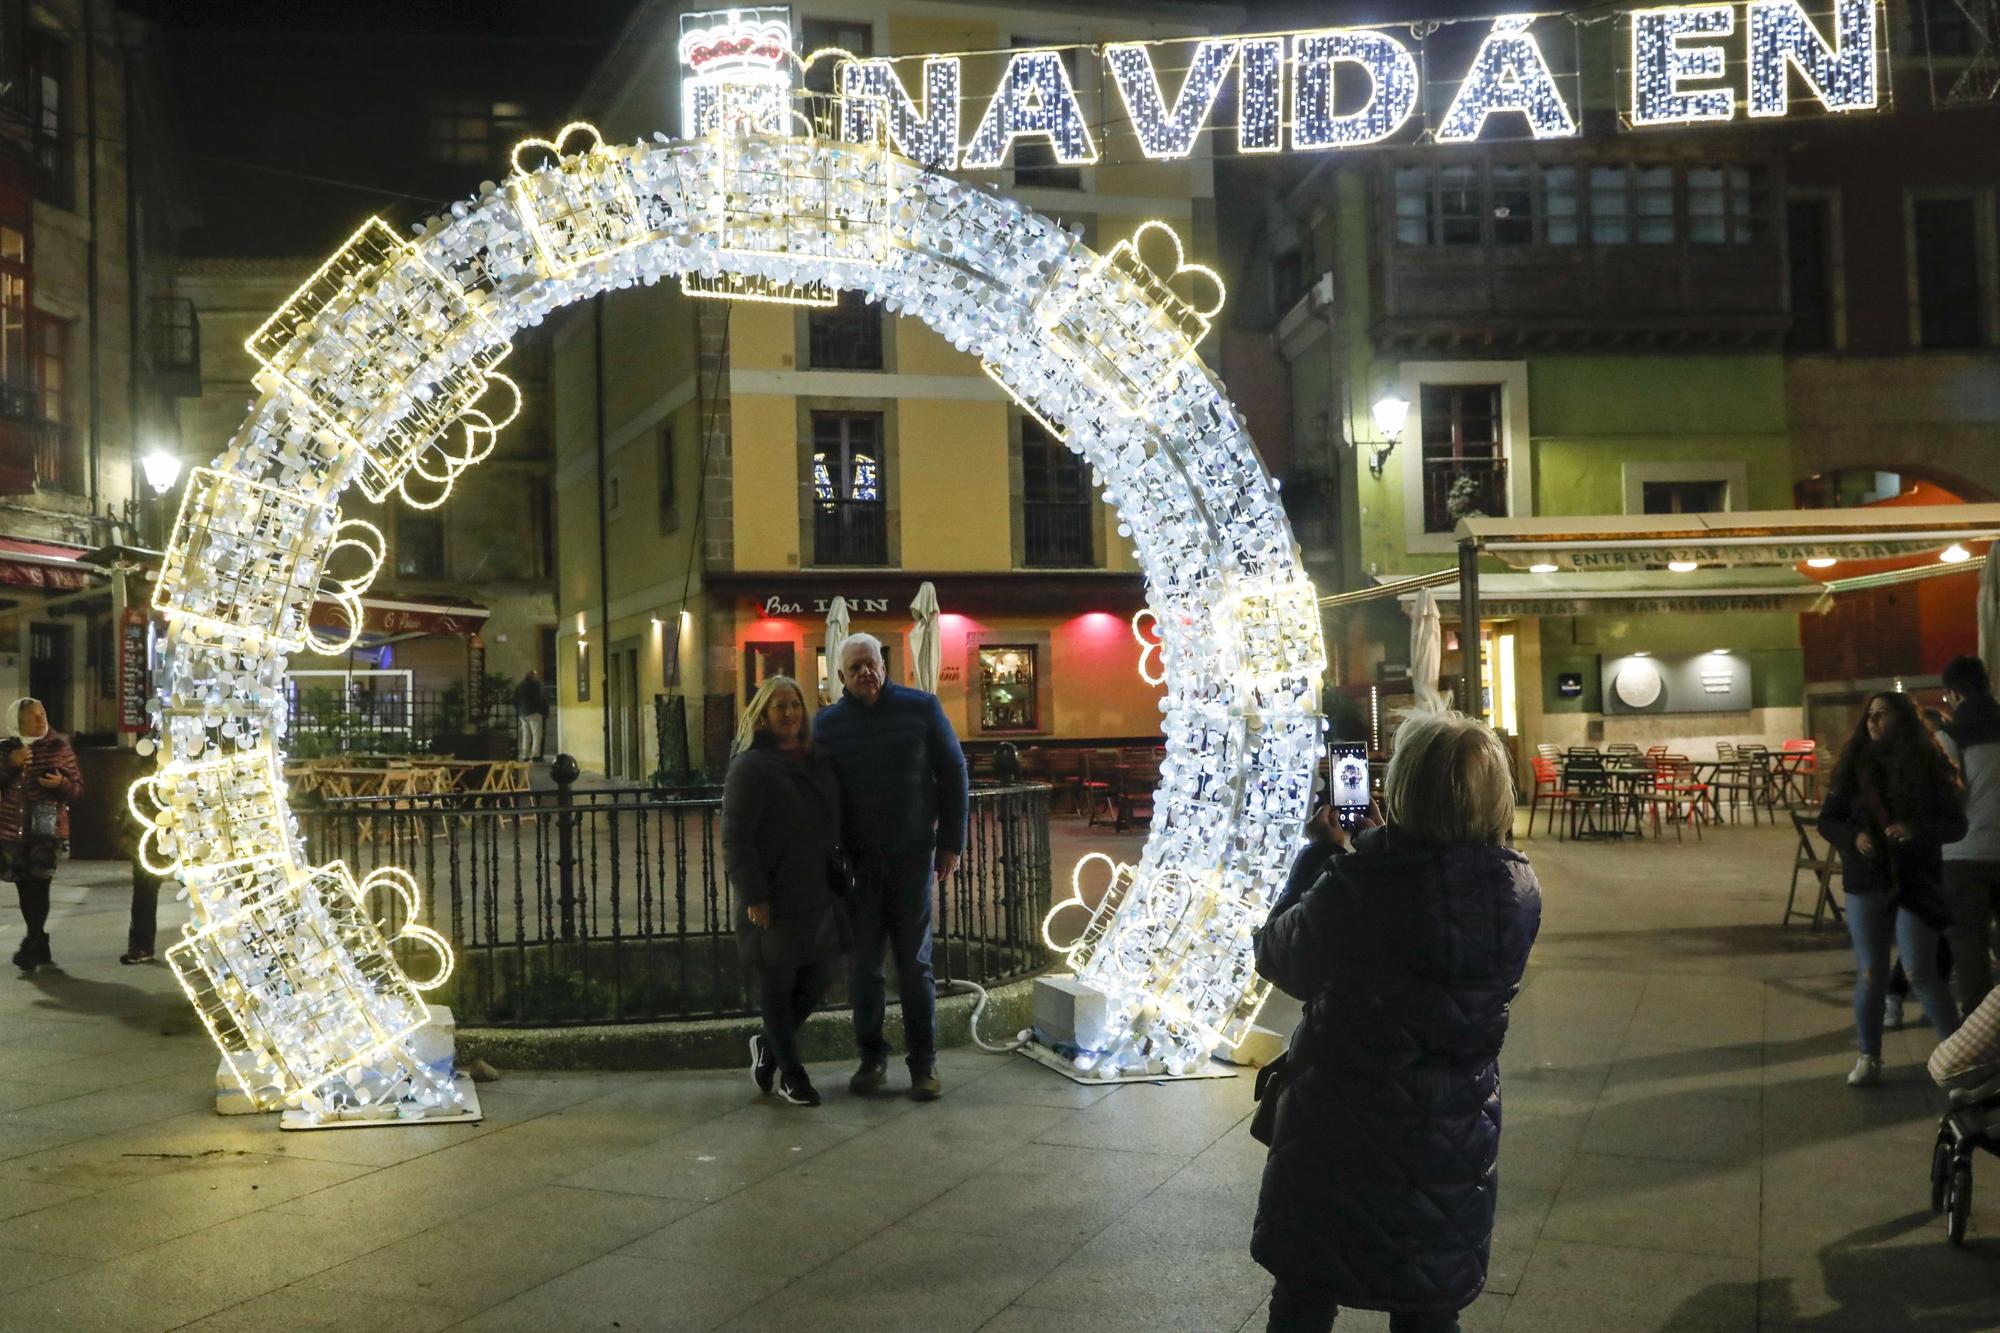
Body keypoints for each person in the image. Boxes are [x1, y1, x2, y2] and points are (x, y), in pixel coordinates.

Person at [1252, 711, 1542, 1333]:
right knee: (1427, 1299)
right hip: (1453, 1122)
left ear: (1403, 789)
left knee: (1305, 1292)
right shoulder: (1516, 890)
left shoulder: (1357, 886)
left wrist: (1320, 857)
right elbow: (1436, 898)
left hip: (1339, 1120)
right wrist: (1377, 853)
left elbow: (1280, 957)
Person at [812, 632, 967, 1102]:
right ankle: (871, 1057)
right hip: (857, 865)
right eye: (855, 667)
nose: (866, 672)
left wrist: (951, 844)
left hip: (912, 856)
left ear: (885, 664)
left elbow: (954, 772)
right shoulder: (828, 724)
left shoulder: (921, 709)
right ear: (840, 676)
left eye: (872, 663)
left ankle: (924, 1064)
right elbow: (818, 791)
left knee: (914, 965)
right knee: (863, 968)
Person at [1819, 691, 1966, 1087]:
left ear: (1902, 720)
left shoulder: (1927, 766)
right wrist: (1855, 838)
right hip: (1866, 878)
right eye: (1870, 715)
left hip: (1915, 876)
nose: (1872, 722)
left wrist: (1915, 830)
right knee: (1871, 971)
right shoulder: (1853, 766)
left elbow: (1956, 824)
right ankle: (1869, 1055)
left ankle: (1958, 1058)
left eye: (1882, 715)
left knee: (1920, 968)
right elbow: (1828, 821)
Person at [722, 675, 847, 1108]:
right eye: (779, 707)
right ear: (762, 716)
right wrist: (754, 895)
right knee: (777, 983)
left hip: (817, 892)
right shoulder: (751, 767)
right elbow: (737, 837)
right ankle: (792, 1075)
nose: (790, 713)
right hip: (772, 896)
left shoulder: (817, 760)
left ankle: (768, 1049)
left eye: (795, 704)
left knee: (817, 979)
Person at [2, 698, 83, 972]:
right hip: (12, 829)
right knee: (25, 887)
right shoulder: (6, 748)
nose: (40, 720)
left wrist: (61, 783)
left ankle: (30, 943)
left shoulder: (59, 746)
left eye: (43, 714)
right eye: (33, 717)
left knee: (40, 883)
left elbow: (77, 788)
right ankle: (40, 942)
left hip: (47, 829)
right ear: (19, 721)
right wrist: (10, 764)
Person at [1940, 655, 2000, 1013]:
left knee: (1969, 945)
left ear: (1954, 694)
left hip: (1964, 854)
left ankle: (1981, 1033)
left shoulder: (1949, 738)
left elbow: (1948, 797)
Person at [514, 670, 548, 762]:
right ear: (533, 677)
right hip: (534, 712)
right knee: (537, 734)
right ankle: (535, 754)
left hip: (522, 713)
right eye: (536, 676)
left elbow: (515, 699)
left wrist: (519, 710)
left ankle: (525, 754)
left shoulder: (520, 686)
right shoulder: (536, 685)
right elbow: (541, 698)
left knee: (526, 734)